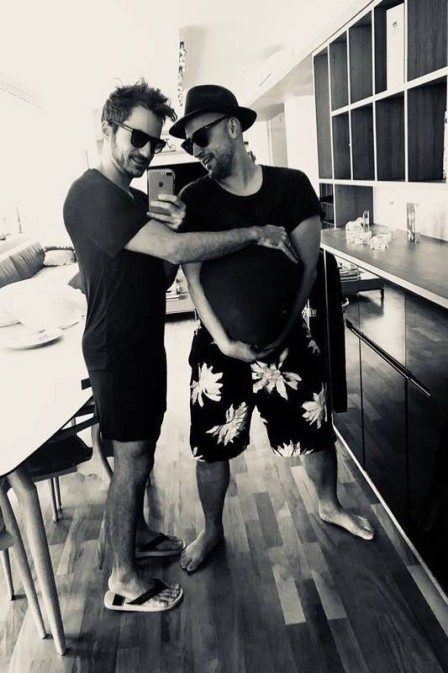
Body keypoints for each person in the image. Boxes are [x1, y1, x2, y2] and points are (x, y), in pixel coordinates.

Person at [63, 80, 296, 613]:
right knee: (132, 459)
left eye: (154, 143)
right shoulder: (90, 193)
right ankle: (123, 580)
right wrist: (255, 233)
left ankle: (138, 536)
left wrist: (172, 231)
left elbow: (160, 271)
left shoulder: (131, 198)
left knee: (140, 452)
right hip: (117, 348)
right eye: (137, 138)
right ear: (108, 128)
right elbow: (172, 250)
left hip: (143, 342)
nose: (145, 152)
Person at [169, 84, 375, 574]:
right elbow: (192, 274)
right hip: (218, 346)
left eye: (201, 137)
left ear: (233, 127)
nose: (196, 150)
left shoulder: (290, 186)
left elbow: (308, 267)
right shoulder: (193, 198)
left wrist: (285, 332)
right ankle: (212, 528)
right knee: (210, 446)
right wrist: (223, 341)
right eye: (189, 143)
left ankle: (329, 504)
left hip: (288, 341)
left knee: (316, 430)